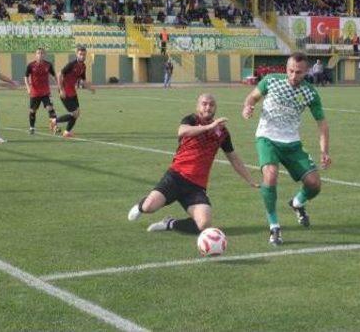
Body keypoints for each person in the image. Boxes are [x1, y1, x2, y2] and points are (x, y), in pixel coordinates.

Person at [128, 94, 258, 234]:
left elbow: (233, 158)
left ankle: (170, 223)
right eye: (204, 104)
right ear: (198, 106)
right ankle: (141, 205)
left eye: (211, 104)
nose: (208, 107)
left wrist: (250, 180)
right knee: (149, 207)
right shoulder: (191, 120)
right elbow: (182, 131)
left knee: (204, 224)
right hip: (175, 177)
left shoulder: (222, 132)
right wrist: (209, 127)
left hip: (196, 186)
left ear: (215, 108)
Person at [242, 51, 331, 245]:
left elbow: (322, 124)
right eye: (290, 71)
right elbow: (252, 97)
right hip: (267, 138)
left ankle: (297, 203)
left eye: (298, 72)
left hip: (292, 142)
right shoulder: (272, 80)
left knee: (314, 184)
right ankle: (274, 226)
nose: (293, 76)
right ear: (286, 68)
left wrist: (324, 151)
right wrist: (248, 107)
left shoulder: (310, 92)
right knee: (271, 175)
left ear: (306, 71)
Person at [51, 46, 95, 138]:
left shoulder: (83, 66)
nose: (82, 56)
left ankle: (67, 132)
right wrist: (61, 90)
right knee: (74, 113)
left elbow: (82, 80)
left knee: (77, 113)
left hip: (73, 92)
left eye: (84, 54)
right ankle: (54, 121)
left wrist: (90, 88)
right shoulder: (71, 64)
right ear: (77, 54)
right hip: (65, 92)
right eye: (80, 54)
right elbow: (59, 75)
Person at [24, 47, 60, 135]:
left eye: (42, 53)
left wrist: (59, 85)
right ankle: (32, 127)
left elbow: (54, 76)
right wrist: (28, 88)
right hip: (35, 93)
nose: (40, 55)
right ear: (35, 55)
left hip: (46, 92)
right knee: (33, 111)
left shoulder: (48, 65)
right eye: (38, 53)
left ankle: (54, 126)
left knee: (50, 108)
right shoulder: (31, 65)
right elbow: (25, 77)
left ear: (44, 55)